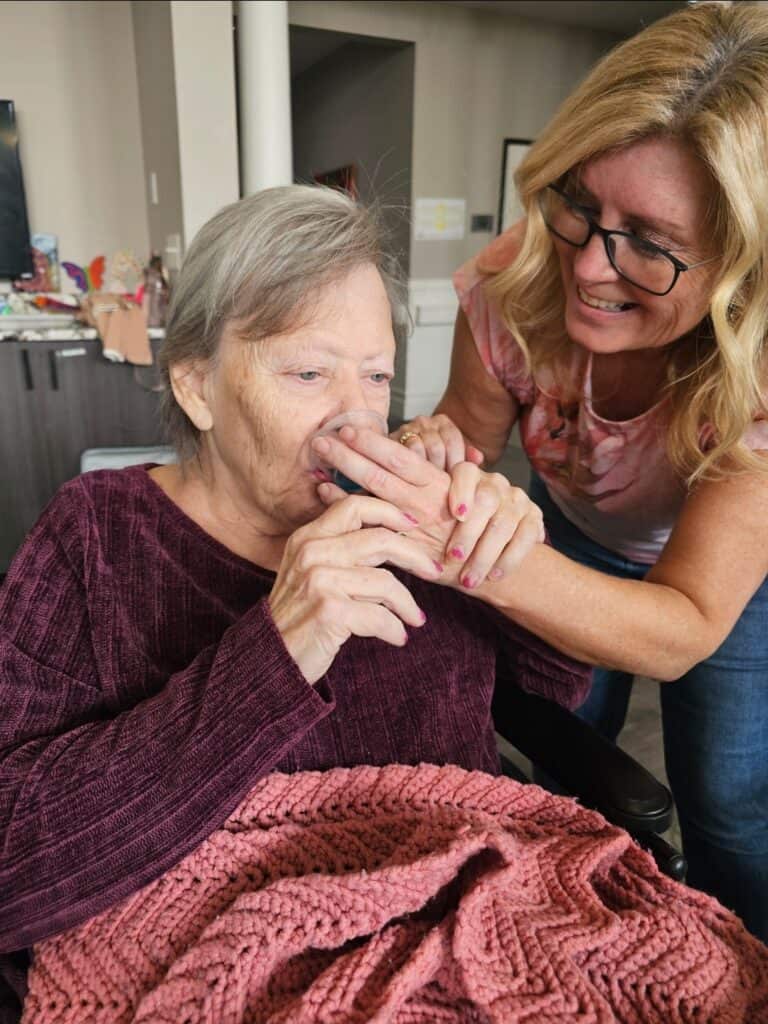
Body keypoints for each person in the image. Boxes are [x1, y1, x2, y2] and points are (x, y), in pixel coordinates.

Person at [0, 185, 587, 1021]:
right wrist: (275, 652)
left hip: (476, 944)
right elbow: (14, 859)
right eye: (308, 372)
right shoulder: (94, 538)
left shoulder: (411, 511)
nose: (355, 419)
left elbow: (556, 693)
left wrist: (507, 553)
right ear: (197, 386)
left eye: (376, 376)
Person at [312, 3, 768, 942]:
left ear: (741, 262)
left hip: (723, 584)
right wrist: (432, 450)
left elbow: (683, 627)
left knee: (726, 798)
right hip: (571, 532)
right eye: (580, 207)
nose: (591, 269)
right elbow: (466, 433)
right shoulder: (518, 278)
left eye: (649, 242)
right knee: (569, 751)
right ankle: (586, 924)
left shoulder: (761, 372)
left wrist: (480, 557)